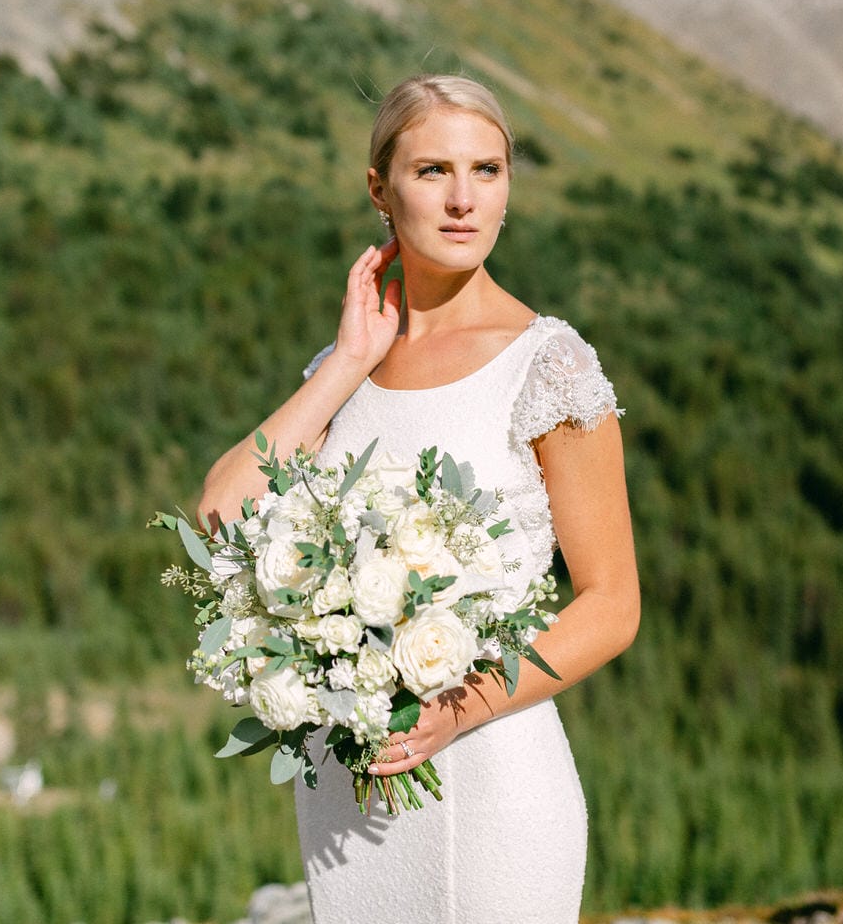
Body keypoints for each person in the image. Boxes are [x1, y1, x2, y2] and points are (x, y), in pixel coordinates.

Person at [197, 74, 640, 923]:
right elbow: (222, 511)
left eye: (489, 170)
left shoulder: (549, 364)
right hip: (350, 796)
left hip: (493, 773)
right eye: (434, 170)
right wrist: (348, 362)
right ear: (380, 188)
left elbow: (613, 605)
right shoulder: (346, 371)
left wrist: (454, 709)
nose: (466, 199)